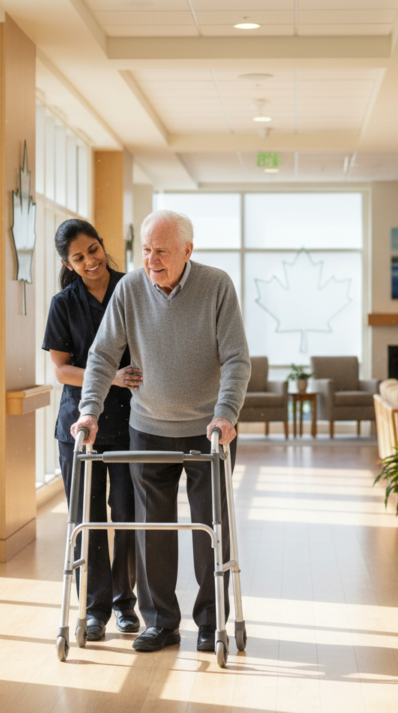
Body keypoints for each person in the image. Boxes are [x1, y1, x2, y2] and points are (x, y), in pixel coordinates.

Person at [71, 209, 250, 654]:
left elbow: (236, 359)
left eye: (162, 251)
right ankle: (160, 623)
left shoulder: (217, 286)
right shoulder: (130, 289)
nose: (151, 259)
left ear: (188, 251)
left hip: (210, 431)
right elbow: (102, 355)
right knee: (153, 530)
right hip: (148, 427)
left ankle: (211, 623)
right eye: (146, 250)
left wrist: (226, 414)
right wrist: (89, 411)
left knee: (212, 527)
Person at [42, 219, 143, 642]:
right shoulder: (63, 303)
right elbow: (62, 370)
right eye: (78, 258)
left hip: (132, 423)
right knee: (87, 518)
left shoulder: (134, 289)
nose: (90, 262)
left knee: (128, 515)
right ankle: (94, 608)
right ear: (68, 262)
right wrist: (110, 378)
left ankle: (125, 605)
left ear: (103, 245)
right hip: (80, 427)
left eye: (93, 251)